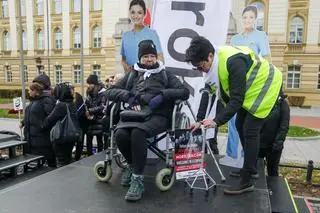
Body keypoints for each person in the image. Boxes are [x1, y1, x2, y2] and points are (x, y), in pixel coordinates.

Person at [186, 36, 282, 195]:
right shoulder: (213, 64)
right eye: (198, 68)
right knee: (240, 125)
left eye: (202, 66)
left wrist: (216, 121)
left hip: (266, 85)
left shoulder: (232, 62)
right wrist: (199, 121)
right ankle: (249, 167)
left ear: (210, 56)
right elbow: (207, 93)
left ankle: (248, 179)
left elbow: (237, 100)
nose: (201, 70)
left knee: (250, 130)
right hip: (250, 90)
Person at [106, 40, 189, 201]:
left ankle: (137, 179)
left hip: (158, 115)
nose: (149, 59)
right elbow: (110, 91)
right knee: (120, 134)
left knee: (138, 133)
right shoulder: (132, 75)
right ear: (140, 58)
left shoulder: (165, 74)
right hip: (134, 115)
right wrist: (128, 96)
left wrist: (163, 95)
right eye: (145, 56)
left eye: (152, 56)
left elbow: (184, 92)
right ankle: (131, 165)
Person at [42, 83, 80, 166]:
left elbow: (50, 120)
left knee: (61, 162)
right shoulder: (72, 104)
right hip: (72, 136)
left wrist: (42, 125)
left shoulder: (61, 105)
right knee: (68, 159)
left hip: (61, 137)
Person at [121, 0, 163, 72]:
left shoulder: (152, 33)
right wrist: (126, 67)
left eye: (139, 13)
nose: (136, 16)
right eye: (133, 12)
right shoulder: (125, 35)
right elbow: (123, 59)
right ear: (129, 13)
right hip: (130, 78)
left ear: (144, 14)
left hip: (147, 78)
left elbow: (160, 58)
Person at [22, 81, 56, 167]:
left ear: (36, 91)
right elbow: (32, 115)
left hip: (42, 139)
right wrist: (23, 122)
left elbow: (51, 116)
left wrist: (42, 126)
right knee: (37, 163)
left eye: (30, 90)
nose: (29, 92)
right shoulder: (34, 101)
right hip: (32, 139)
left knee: (49, 161)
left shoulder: (46, 100)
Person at [259, 94, 290, 176]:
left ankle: (273, 188)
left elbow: (284, 125)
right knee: (257, 170)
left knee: (272, 171)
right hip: (259, 143)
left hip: (274, 145)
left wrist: (278, 141)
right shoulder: (262, 99)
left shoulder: (283, 104)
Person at [196, 83, 223, 154]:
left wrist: (216, 120)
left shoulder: (213, 77)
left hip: (212, 113)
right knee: (200, 141)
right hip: (201, 111)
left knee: (211, 141)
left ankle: (213, 155)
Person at [85, 75, 107, 155]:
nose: (88, 85)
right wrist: (87, 111)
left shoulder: (103, 93)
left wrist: (90, 111)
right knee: (89, 139)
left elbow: (103, 107)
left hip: (99, 120)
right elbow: (87, 103)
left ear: (95, 84)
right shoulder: (89, 92)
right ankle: (89, 156)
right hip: (90, 120)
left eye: (90, 83)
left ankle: (100, 156)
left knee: (99, 140)